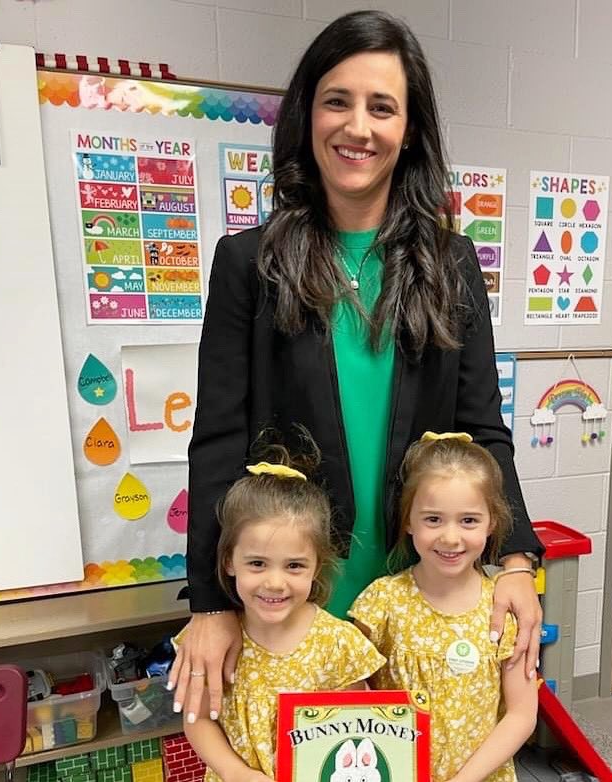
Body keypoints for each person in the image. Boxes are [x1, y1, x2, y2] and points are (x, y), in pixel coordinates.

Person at [170, 9, 544, 719]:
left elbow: (481, 428)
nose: (358, 127)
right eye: (337, 101)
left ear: (409, 133)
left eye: (383, 107)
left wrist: (517, 561)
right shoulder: (249, 264)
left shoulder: (449, 265)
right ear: (307, 115)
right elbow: (218, 439)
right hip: (292, 602)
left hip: (419, 597)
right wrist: (213, 602)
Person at [179, 442, 386, 781]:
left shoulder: (339, 643)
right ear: (230, 560)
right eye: (257, 563)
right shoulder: (212, 642)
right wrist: (235, 772)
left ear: (317, 566)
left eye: (294, 566)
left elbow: (355, 732)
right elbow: (197, 719)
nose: (275, 583)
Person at [350, 433, 538, 782]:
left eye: (468, 521)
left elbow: (522, 715)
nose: (450, 538)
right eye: (433, 520)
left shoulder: (501, 610)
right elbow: (350, 693)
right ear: (408, 520)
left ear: (491, 522)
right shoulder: (381, 602)